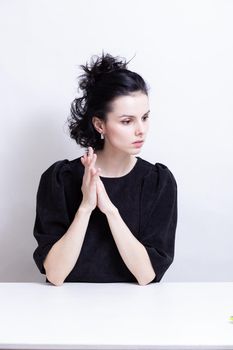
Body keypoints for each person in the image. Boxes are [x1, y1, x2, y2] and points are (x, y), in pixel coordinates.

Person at [33, 52, 178, 286]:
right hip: (64, 313)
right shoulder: (59, 179)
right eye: (127, 121)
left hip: (138, 313)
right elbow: (55, 275)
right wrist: (86, 207)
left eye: (145, 117)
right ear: (100, 124)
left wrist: (109, 210)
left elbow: (146, 275)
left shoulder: (158, 182)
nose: (141, 130)